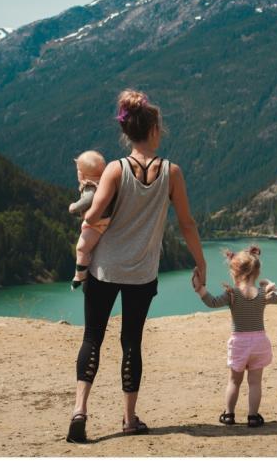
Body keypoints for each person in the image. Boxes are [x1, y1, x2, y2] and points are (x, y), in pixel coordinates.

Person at [66, 89, 207, 443]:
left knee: (92, 337)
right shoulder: (172, 173)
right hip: (142, 274)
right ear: (155, 130)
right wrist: (200, 261)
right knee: (132, 343)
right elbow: (187, 223)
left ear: (127, 132)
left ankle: (80, 411)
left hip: (104, 270)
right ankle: (129, 419)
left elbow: (94, 213)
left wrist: (88, 217)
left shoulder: (115, 169)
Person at [192, 245, 277, 428]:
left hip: (239, 343)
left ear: (234, 273)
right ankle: (253, 416)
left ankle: (229, 415)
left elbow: (212, 302)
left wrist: (200, 289)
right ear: (256, 273)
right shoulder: (262, 294)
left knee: (234, 381)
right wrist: (271, 285)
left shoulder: (232, 294)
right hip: (260, 343)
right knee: (255, 383)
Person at [68, 150, 114, 290]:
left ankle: (79, 275)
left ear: (81, 173)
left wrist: (73, 207)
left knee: (81, 248)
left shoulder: (90, 186)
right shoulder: (106, 182)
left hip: (97, 224)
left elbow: (87, 200)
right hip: (108, 220)